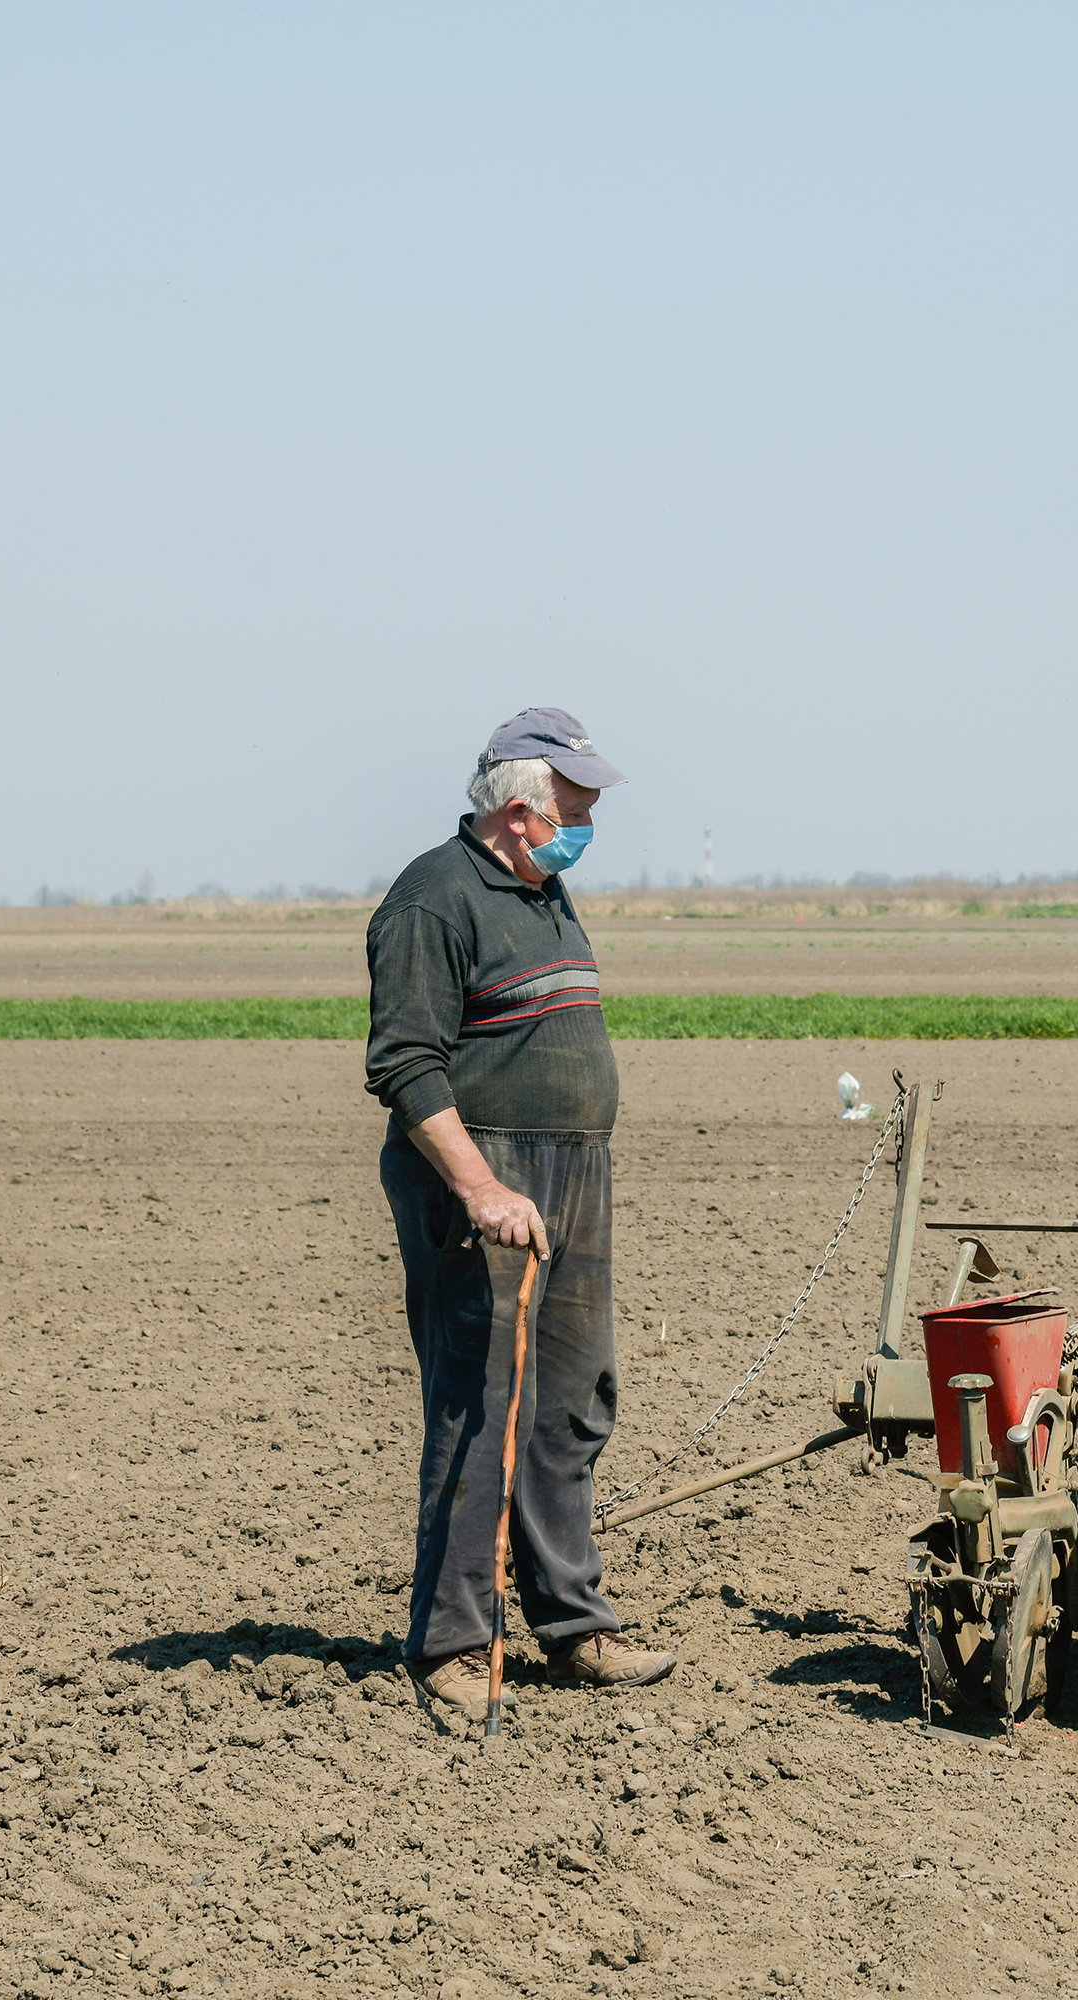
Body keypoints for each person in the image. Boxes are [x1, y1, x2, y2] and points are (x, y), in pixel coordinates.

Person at [364, 706, 675, 1714]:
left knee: (571, 1403)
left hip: (576, 1172)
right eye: (574, 806)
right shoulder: (433, 899)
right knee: (481, 1405)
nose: (587, 822)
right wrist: (482, 1187)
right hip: (485, 1174)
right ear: (519, 809)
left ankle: (573, 1625)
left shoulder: (546, 892)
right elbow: (406, 1065)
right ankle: (452, 1642)